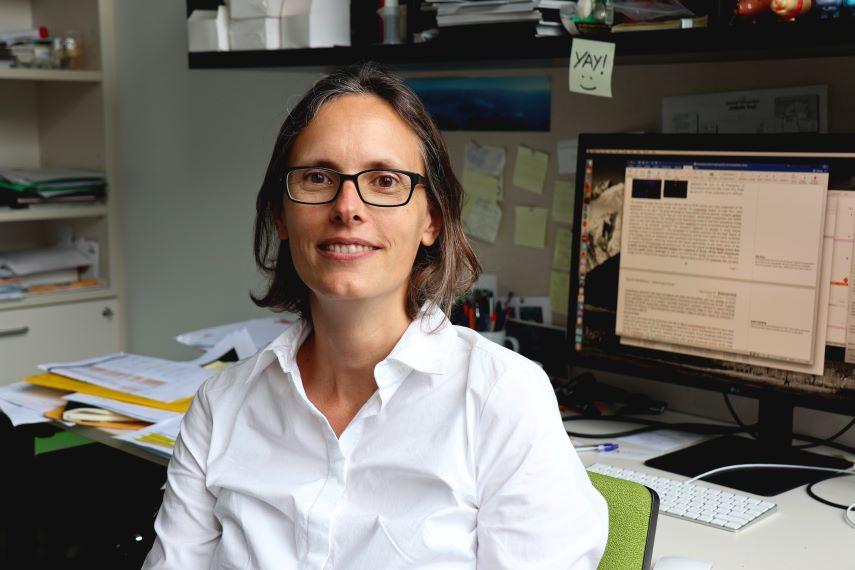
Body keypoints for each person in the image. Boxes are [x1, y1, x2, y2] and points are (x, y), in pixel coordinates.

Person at [143, 62, 608, 569]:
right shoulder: (221, 407)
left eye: (385, 181)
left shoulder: (502, 398)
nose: (348, 207)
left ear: (432, 219)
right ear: (281, 212)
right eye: (318, 177)